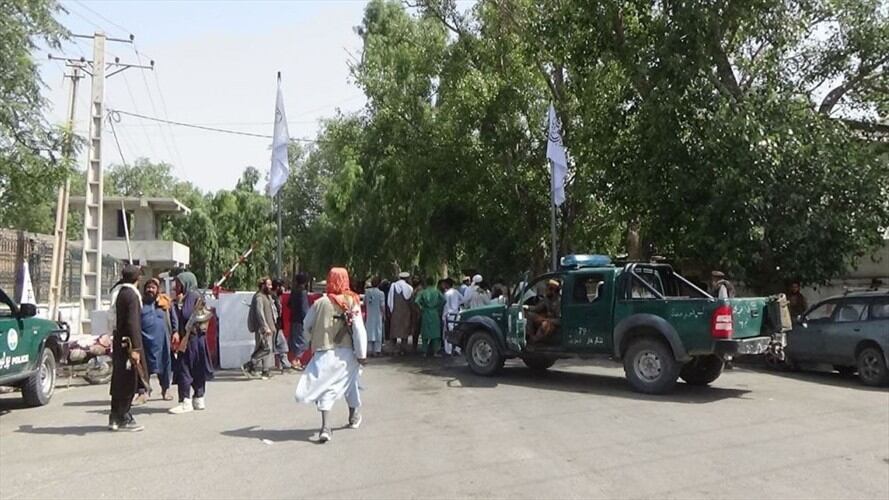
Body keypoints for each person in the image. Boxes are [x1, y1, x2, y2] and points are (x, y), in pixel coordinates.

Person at [295, 267, 367, 443]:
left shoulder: (320, 303)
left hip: (323, 352)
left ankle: (328, 426)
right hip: (346, 352)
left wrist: (312, 339)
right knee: (349, 382)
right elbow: (358, 329)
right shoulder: (352, 300)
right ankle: (351, 415)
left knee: (328, 388)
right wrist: (361, 354)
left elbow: (306, 325)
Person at [169, 272, 214, 414]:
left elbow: (199, 316)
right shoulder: (183, 298)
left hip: (193, 340)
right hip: (188, 339)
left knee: (187, 369)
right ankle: (197, 398)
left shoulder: (194, 297)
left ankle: (187, 400)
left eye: (179, 282)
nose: (176, 285)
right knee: (191, 368)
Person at [108, 265, 146, 432]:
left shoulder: (120, 293)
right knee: (128, 381)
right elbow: (133, 324)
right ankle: (123, 416)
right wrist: (136, 349)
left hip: (119, 342)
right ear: (137, 279)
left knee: (119, 379)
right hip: (128, 345)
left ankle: (115, 416)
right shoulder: (131, 295)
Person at [134, 278, 176, 404]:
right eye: (148, 287)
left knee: (165, 365)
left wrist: (176, 332)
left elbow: (174, 319)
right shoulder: (140, 303)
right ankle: (143, 392)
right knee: (142, 367)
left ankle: (165, 389)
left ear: (158, 289)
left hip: (162, 342)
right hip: (145, 342)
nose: (150, 290)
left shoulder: (164, 302)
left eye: (153, 287)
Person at [243, 277, 277, 379]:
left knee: (265, 349)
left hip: (269, 328)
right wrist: (265, 327)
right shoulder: (259, 297)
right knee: (266, 349)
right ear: (262, 285)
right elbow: (259, 313)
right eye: (268, 285)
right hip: (263, 329)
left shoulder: (267, 296)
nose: (270, 287)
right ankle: (249, 365)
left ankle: (263, 370)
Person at [415, 277, 446, 357]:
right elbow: (444, 300)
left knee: (425, 333)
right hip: (434, 313)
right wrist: (438, 307)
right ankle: (435, 352)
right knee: (435, 333)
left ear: (426, 283)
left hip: (425, 313)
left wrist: (421, 308)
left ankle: (424, 352)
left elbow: (416, 301)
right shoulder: (437, 291)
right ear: (434, 282)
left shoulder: (423, 292)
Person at [387, 272, 414, 355]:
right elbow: (411, 301)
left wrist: (391, 310)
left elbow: (390, 300)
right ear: (407, 278)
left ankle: (393, 349)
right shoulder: (409, 288)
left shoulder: (393, 286)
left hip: (395, 311)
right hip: (406, 312)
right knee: (404, 331)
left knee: (394, 331)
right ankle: (403, 349)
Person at [289, 273, 310, 369]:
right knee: (302, 340)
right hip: (301, 320)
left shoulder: (294, 291)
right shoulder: (303, 292)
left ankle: (295, 360)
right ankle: (296, 360)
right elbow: (304, 308)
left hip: (293, 318)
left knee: (295, 339)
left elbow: (289, 304)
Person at [271, 278, 292, 372]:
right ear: (277, 287)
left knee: (279, 344)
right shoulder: (272, 297)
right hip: (274, 325)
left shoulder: (277, 296)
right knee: (281, 345)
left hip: (277, 325)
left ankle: (283, 364)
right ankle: (285, 364)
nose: (283, 289)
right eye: (281, 286)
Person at [364, 277, 385, 357]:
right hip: (378, 314)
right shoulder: (381, 293)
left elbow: (365, 302)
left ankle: (369, 350)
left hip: (369, 314)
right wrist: (384, 315)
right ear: (379, 284)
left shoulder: (367, 292)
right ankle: (377, 350)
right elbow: (382, 306)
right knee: (378, 331)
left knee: (369, 330)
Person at [442, 278, 462, 356]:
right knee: (456, 331)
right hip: (456, 314)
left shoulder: (447, 294)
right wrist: (457, 305)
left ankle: (448, 351)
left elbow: (446, 306)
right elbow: (463, 299)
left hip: (449, 315)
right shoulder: (456, 292)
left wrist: (444, 316)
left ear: (447, 284)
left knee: (448, 332)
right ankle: (457, 349)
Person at [409, 276, 423, 353]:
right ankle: (414, 346)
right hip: (414, 311)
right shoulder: (415, 289)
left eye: (416, 279)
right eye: (413, 279)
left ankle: (416, 347)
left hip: (418, 312)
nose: (414, 280)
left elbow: (417, 301)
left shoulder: (419, 289)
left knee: (417, 329)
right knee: (415, 330)